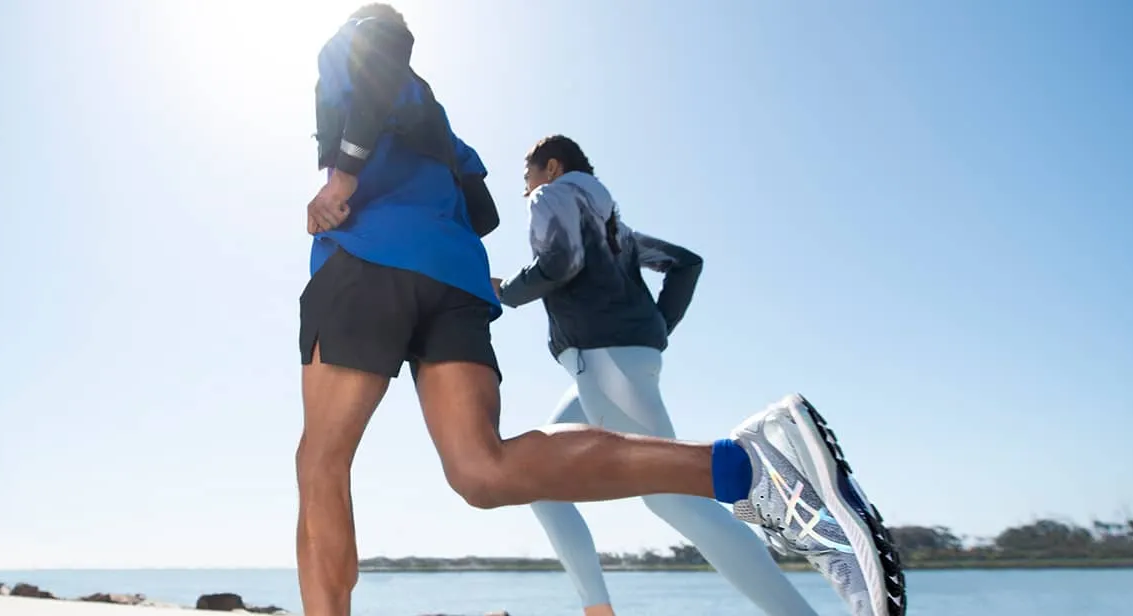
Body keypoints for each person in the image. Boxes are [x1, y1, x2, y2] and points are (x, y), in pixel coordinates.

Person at [298, 5, 907, 616]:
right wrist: (657, 328)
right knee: (484, 471)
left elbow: (384, 57)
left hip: (369, 260)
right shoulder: (447, 127)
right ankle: (735, 474)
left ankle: (777, 526)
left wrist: (343, 178)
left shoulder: (355, 44)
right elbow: (483, 214)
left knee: (323, 460)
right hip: (456, 279)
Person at [503, 135, 819, 616]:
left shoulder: (554, 195)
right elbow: (685, 264)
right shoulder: (616, 228)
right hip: (608, 365)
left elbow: (561, 262)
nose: (525, 188)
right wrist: (655, 328)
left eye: (527, 176)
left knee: (674, 499)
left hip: (606, 362)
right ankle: (597, 609)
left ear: (551, 167)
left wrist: (506, 291)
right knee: (536, 478)